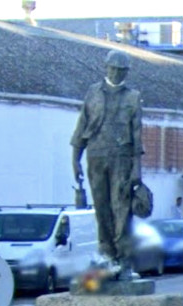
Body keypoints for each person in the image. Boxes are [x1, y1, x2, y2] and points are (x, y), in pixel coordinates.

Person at [71, 49, 144, 280]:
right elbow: (82, 126)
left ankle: (123, 259)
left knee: (121, 210)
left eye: (123, 71)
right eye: (114, 69)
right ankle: (106, 255)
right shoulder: (92, 93)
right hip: (96, 157)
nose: (118, 73)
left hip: (122, 159)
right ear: (106, 67)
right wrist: (75, 159)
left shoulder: (133, 97)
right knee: (102, 209)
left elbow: (137, 135)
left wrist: (136, 169)